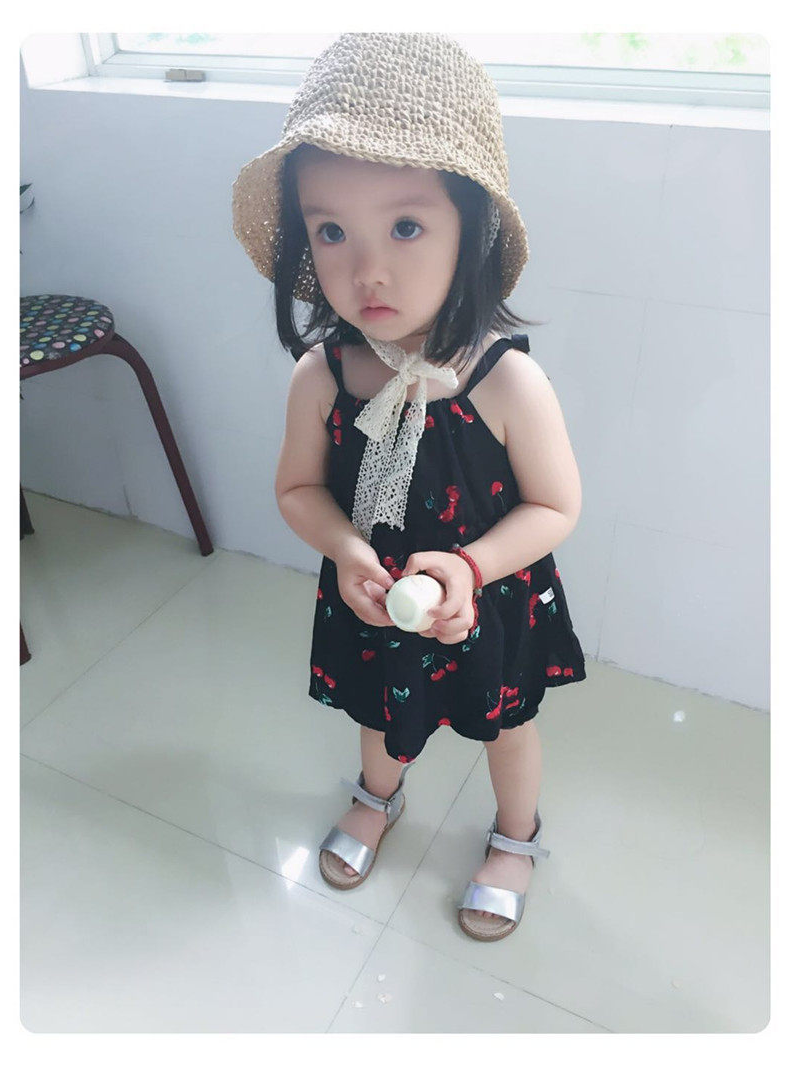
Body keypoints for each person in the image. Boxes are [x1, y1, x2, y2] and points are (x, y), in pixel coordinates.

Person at [232, 33, 586, 943]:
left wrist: (470, 567)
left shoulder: (506, 381)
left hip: (487, 598)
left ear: (473, 229)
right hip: (375, 595)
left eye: (405, 226)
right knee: (377, 708)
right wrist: (347, 550)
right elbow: (297, 489)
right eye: (331, 231)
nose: (367, 270)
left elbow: (556, 506)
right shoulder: (323, 374)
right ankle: (375, 795)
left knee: (506, 725)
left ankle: (514, 837)